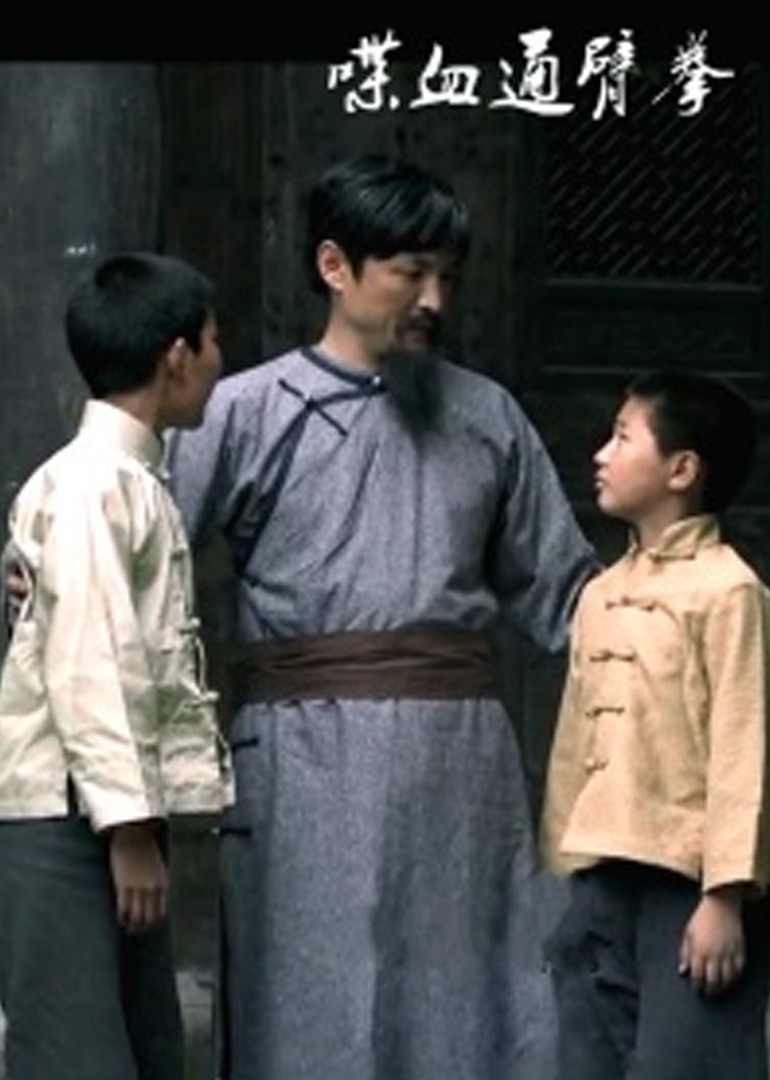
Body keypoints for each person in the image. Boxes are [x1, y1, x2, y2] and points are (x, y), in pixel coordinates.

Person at [162, 154, 599, 1080]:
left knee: (468, 1013)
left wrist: (685, 609)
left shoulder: (488, 417)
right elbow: (142, 555)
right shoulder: (243, 411)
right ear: (335, 266)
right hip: (300, 764)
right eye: (410, 272)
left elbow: (570, 599)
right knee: (308, 1018)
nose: (434, 298)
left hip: (459, 767)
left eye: (447, 276)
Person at [0, 252, 233, 1080]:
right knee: (76, 1057)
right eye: (213, 341)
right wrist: (130, 830)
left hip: (96, 806)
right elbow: (91, 664)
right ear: (177, 356)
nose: (220, 361)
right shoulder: (93, 485)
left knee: (140, 1052)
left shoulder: (126, 479)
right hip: (69, 811)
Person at [540, 369, 770, 1080]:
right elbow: (572, 746)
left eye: (622, 437)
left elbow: (744, 746)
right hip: (598, 881)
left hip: (690, 889)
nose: (600, 455)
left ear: (682, 470)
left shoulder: (728, 591)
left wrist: (724, 896)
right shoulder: (601, 595)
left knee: (687, 1063)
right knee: (589, 1061)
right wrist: (563, 869)